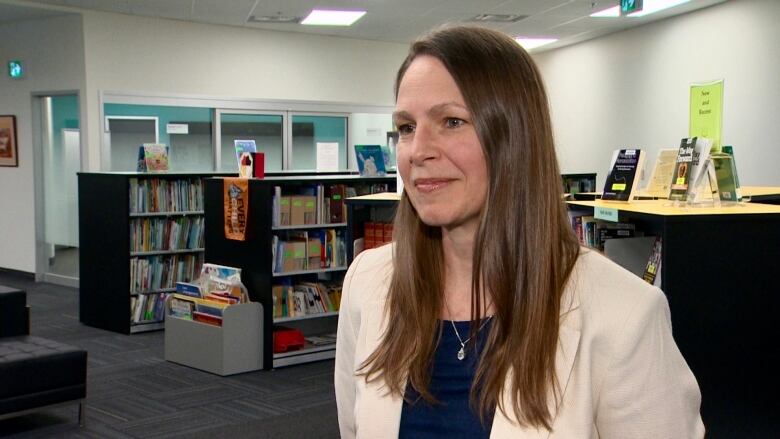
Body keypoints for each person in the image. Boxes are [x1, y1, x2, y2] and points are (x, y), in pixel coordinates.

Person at [335, 26, 703, 438]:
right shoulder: (367, 283)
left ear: (514, 138)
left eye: (451, 121)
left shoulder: (623, 313)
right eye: (406, 127)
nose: (418, 150)